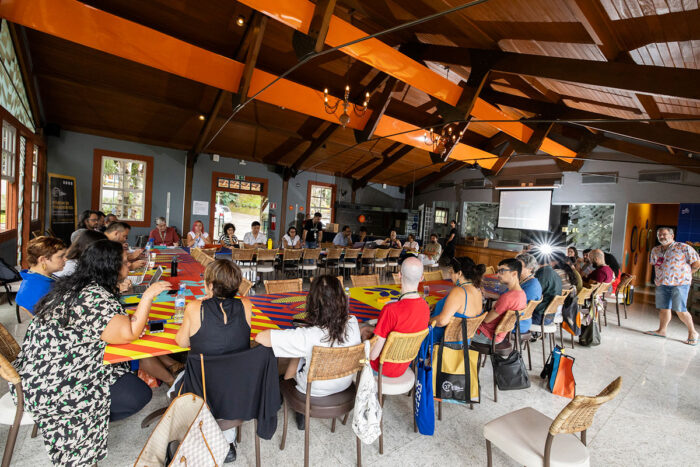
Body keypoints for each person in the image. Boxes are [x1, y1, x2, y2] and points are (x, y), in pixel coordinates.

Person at [12, 239, 171, 466]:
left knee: (130, 383)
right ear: (111, 268)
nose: (129, 267)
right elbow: (128, 333)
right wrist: (147, 297)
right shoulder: (93, 296)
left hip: (41, 370)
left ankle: (98, 417)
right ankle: (90, 419)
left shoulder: (77, 285)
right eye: (125, 263)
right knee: (138, 394)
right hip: (59, 384)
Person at [255, 275, 361, 430]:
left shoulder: (307, 336)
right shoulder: (353, 322)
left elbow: (260, 338)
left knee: (298, 352)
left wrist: (301, 332)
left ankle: (297, 408)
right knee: (301, 351)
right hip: (344, 384)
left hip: (312, 391)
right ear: (342, 299)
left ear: (312, 302)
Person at [175, 259, 253, 461]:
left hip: (203, 387)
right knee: (225, 378)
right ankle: (227, 440)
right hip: (238, 386)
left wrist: (205, 301)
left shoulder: (194, 307)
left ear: (209, 285)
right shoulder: (246, 305)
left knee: (178, 381)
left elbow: (182, 342)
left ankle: (202, 432)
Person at [357, 257, 430, 375]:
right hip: (405, 365)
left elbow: (373, 355)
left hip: (381, 368)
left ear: (399, 275)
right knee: (366, 329)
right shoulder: (425, 307)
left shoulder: (390, 310)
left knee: (360, 331)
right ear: (421, 278)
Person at [645, 227, 700, 345]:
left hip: (679, 284)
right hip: (662, 283)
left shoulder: (683, 247)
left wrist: (686, 274)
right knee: (664, 308)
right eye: (659, 235)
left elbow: (696, 263)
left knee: (680, 310)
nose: (661, 237)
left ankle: (693, 332)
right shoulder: (656, 250)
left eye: (664, 234)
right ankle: (662, 331)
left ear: (672, 236)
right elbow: (655, 264)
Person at [472, 258, 527, 345]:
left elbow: (486, 320)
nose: (498, 275)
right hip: (500, 335)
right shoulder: (522, 294)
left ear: (514, 273)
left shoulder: (507, 297)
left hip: (487, 335)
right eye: (498, 271)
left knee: (451, 327)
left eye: (502, 271)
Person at [430, 257, 485, 342]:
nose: (450, 276)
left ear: (459, 273)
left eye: (451, 272)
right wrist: (437, 306)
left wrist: (426, 321)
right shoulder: (478, 290)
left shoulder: (459, 291)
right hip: (463, 340)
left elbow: (442, 321)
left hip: (443, 339)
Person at [16, 236, 67, 315]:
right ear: (42, 260)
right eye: (61, 256)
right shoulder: (35, 290)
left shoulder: (42, 278)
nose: (65, 259)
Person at [531, 256, 563, 328]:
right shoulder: (555, 273)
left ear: (535, 263)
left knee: (509, 319)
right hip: (549, 316)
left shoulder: (542, 274)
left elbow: (533, 294)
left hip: (540, 317)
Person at [515, 252, 543, 334]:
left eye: (519, 266)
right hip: (521, 320)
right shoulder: (526, 281)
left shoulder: (532, 286)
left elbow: (518, 306)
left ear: (530, 268)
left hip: (517, 323)